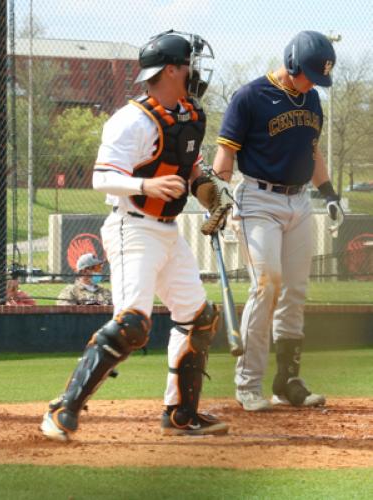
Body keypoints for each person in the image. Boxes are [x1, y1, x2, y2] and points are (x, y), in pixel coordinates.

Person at [41, 30, 231, 441]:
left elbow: (192, 170)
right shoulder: (130, 120)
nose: (196, 71)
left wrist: (212, 194)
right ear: (170, 70)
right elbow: (101, 177)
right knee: (132, 325)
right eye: (190, 64)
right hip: (132, 227)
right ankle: (63, 409)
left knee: (199, 318)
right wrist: (145, 187)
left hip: (169, 232)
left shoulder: (188, 114)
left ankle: (181, 414)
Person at [212, 31, 344, 412]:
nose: (313, 84)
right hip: (257, 199)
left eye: (319, 79)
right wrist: (217, 197)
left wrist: (330, 194)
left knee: (295, 291)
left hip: (299, 201)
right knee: (267, 284)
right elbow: (224, 159)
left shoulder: (312, 98)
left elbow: (313, 151)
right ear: (290, 64)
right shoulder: (249, 96)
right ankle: (248, 383)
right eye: (309, 75)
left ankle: (287, 379)